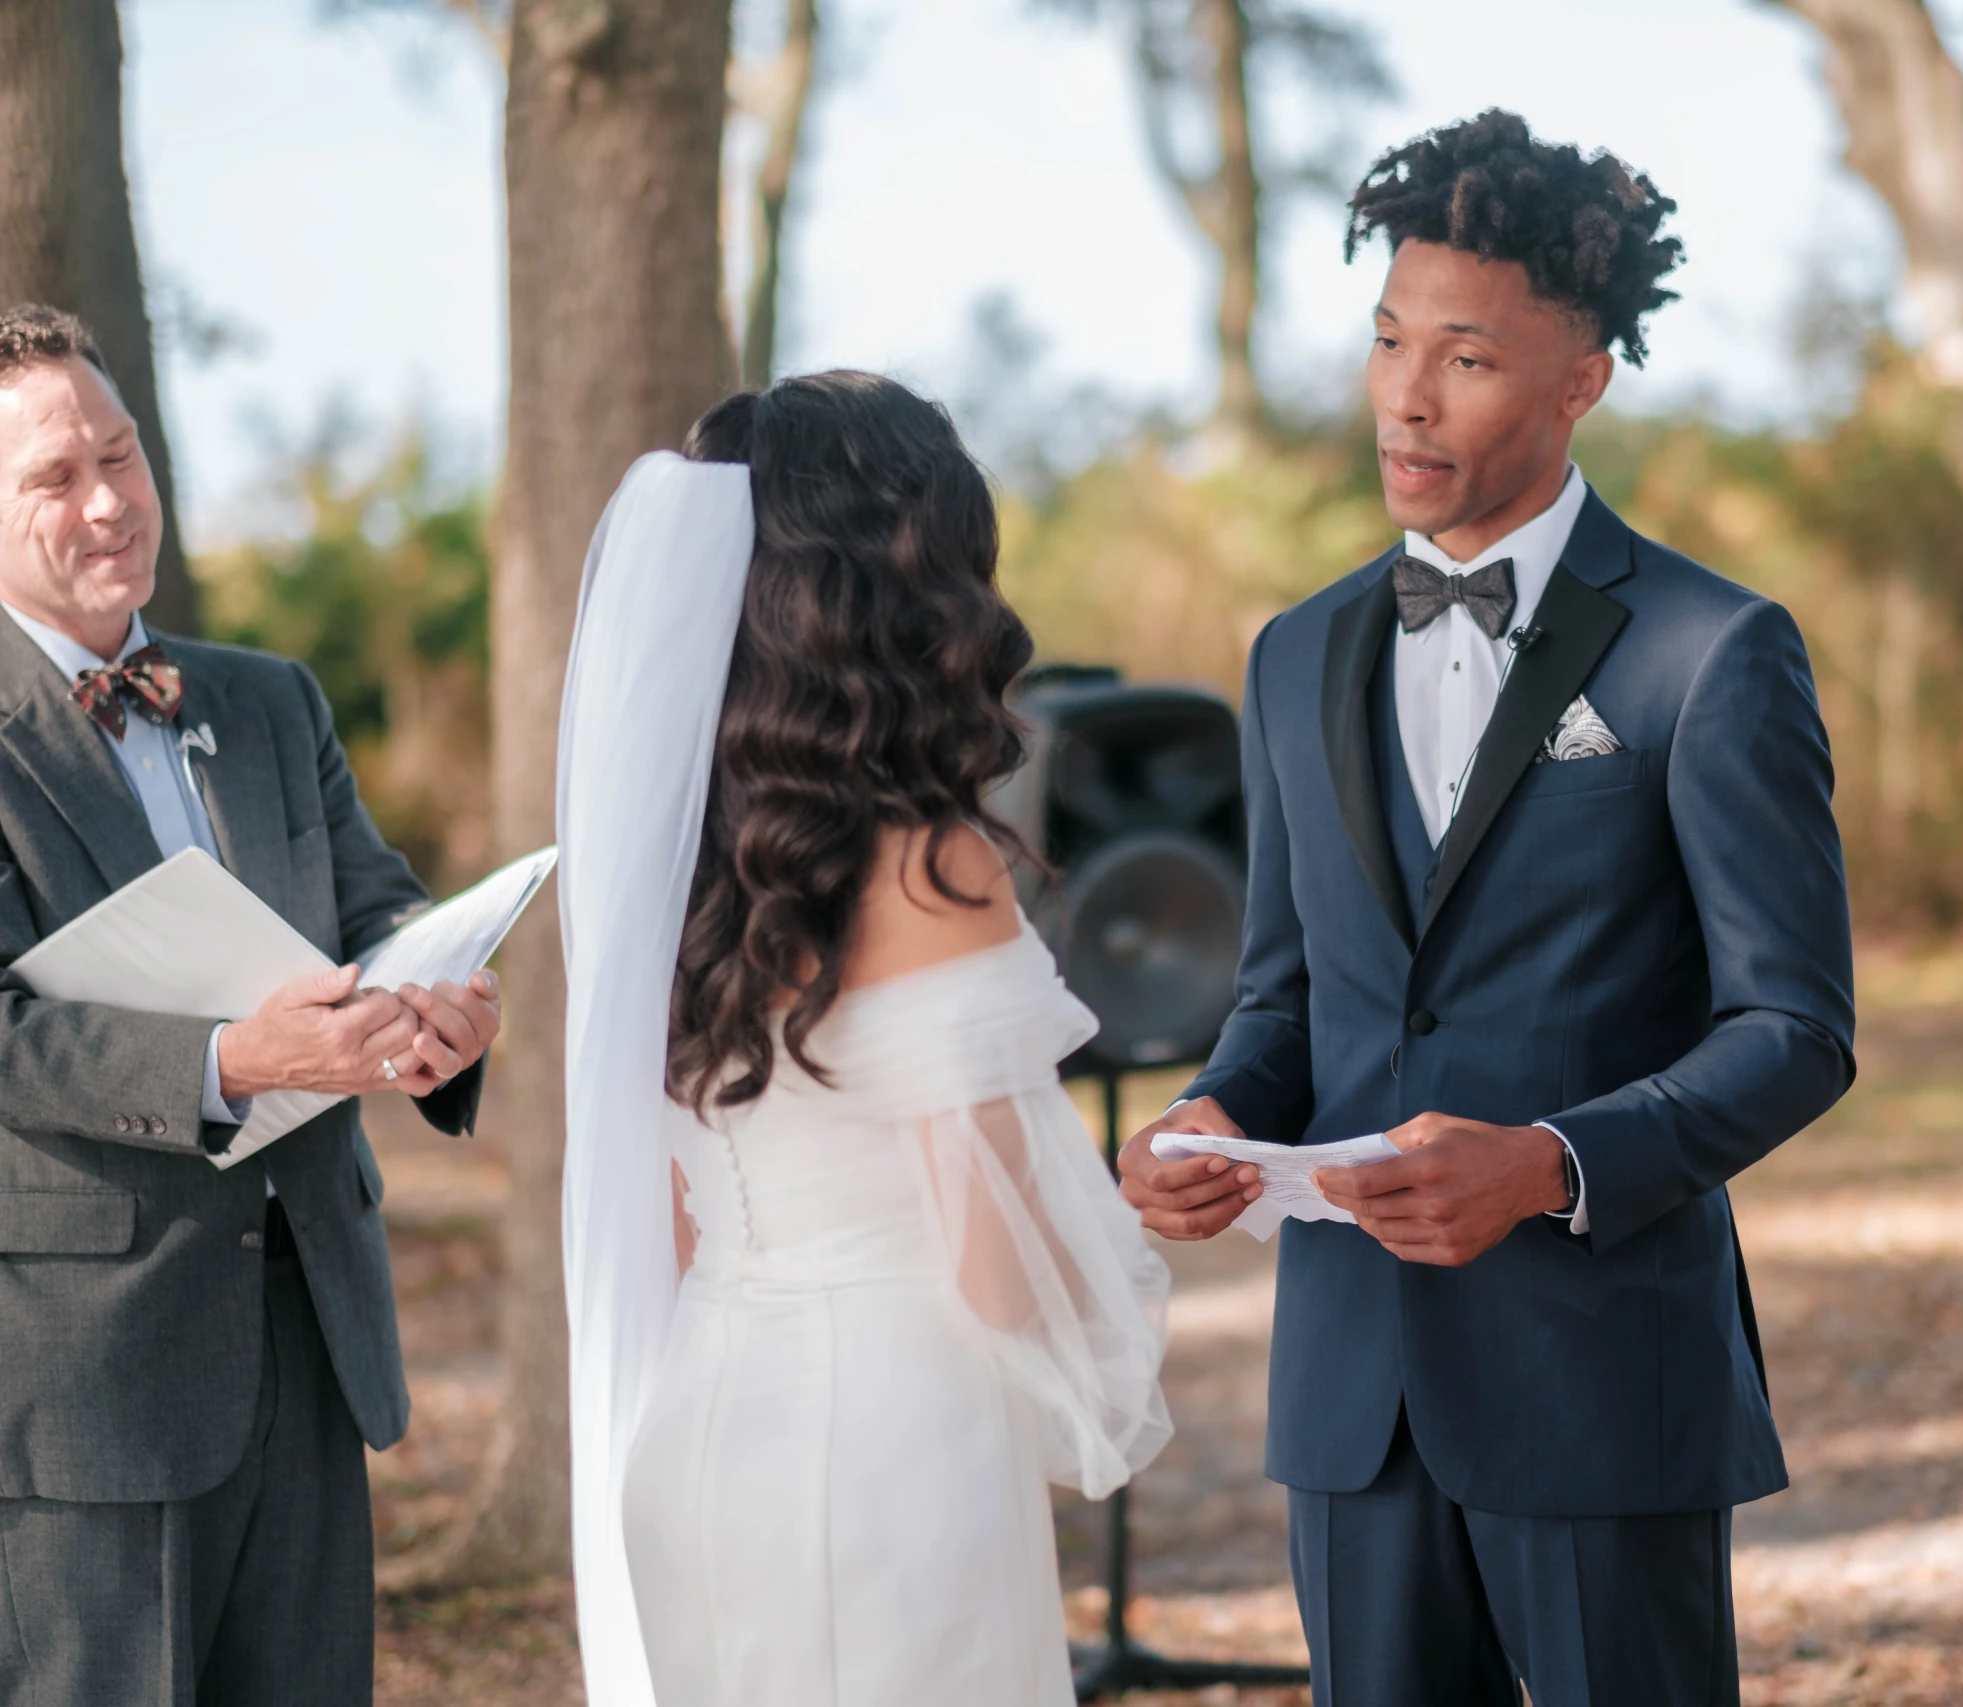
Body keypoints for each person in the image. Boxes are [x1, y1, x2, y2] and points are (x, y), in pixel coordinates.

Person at [1115, 111, 1859, 1707]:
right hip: (1352, 1399)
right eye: (1388, 342)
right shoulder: (1294, 653)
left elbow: (1795, 1029)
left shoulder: (1711, 651)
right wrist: (1213, 1111)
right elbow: (1287, 992)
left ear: (1583, 376)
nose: (1404, 393)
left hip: (1600, 1378)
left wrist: (1552, 1163)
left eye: (1465, 358)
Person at [555, 372, 1172, 1707]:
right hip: (894, 1443)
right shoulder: (929, 864)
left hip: (700, 1420)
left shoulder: (665, 871)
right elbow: (996, 1269)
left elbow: (663, 1206)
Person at [0, 303, 503, 1706]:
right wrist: (229, 1057)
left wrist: (438, 1011)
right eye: (53, 477)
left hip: (314, 1342)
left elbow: (380, 911)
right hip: (82, 1380)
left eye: (123, 454)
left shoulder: (274, 701)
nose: (108, 503)